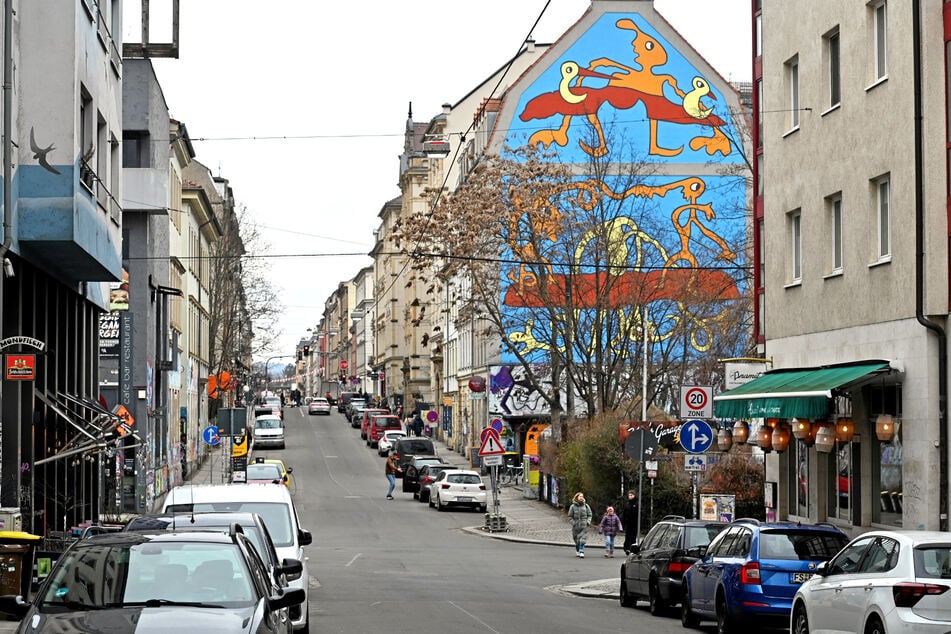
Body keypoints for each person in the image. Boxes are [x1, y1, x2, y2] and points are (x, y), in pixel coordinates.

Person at [567, 492, 593, 558]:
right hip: (576, 527)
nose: (581, 497)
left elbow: (590, 515)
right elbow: (570, 516)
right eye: (580, 496)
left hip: (584, 526)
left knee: (582, 539)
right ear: (577, 497)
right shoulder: (572, 506)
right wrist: (573, 523)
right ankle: (578, 550)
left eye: (582, 496)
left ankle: (582, 551)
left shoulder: (586, 506)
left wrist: (588, 522)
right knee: (577, 540)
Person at [621, 490, 639, 554]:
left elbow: (639, 513)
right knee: (627, 536)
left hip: (635, 523)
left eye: (631, 495)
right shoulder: (627, 504)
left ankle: (632, 549)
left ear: (634, 495)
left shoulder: (637, 503)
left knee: (633, 537)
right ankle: (627, 548)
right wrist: (623, 523)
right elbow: (624, 514)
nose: (630, 496)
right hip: (628, 523)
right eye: (629, 495)